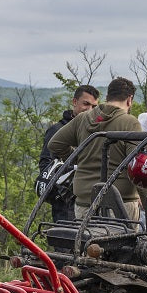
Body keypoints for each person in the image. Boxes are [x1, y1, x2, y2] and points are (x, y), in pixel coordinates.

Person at [48, 77, 145, 221]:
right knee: (121, 244)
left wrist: (79, 158)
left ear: (107, 97)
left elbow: (55, 144)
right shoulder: (129, 123)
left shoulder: (82, 119)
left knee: (86, 242)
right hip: (119, 204)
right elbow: (139, 168)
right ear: (130, 99)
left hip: (83, 203)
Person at [37, 84, 100, 221]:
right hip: (65, 206)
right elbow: (45, 165)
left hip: (88, 201)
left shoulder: (94, 132)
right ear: (74, 102)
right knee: (66, 240)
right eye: (86, 104)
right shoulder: (58, 130)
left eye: (94, 107)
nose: (90, 109)